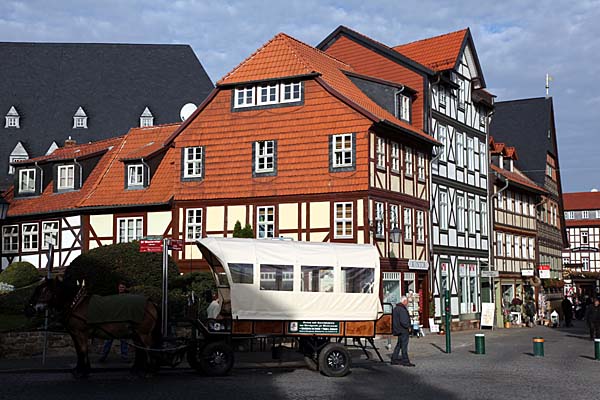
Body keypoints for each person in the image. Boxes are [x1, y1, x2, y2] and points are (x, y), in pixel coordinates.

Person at [98, 282, 129, 362]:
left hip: (122, 321)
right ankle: (103, 355)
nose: (121, 288)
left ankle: (124, 356)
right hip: (114, 321)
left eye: (122, 287)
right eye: (120, 287)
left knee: (124, 340)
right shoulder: (115, 297)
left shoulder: (127, 298)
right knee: (108, 339)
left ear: (125, 288)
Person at [391, 296, 414, 367]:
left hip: (398, 329)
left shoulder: (396, 308)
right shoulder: (402, 309)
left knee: (399, 345)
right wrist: (408, 326)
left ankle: (394, 359)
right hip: (403, 330)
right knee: (404, 346)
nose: (407, 303)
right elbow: (404, 321)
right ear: (404, 301)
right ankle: (405, 361)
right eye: (406, 301)